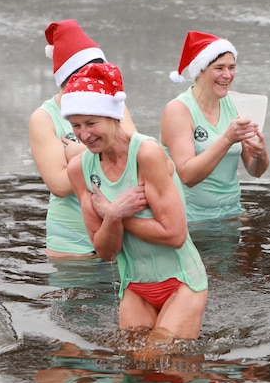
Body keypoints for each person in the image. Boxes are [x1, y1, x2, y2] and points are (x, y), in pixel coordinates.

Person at [63, 62, 209, 343]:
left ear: (114, 118)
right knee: (135, 367)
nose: (83, 134)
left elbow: (175, 234)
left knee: (156, 357)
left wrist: (115, 213)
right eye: (76, 126)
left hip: (182, 281)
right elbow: (105, 250)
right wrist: (114, 215)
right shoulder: (79, 169)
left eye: (92, 123)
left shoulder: (146, 153)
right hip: (135, 287)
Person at [29, 19, 137, 260]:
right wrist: (94, 154)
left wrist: (78, 153)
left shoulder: (112, 103)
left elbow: (133, 155)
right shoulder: (44, 118)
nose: (96, 82)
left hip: (118, 234)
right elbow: (58, 185)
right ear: (69, 77)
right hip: (71, 243)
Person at [160, 30, 269, 223]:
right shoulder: (178, 110)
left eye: (232, 67)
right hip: (190, 221)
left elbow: (256, 171)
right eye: (219, 68)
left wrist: (260, 154)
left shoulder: (235, 103)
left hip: (232, 215)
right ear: (200, 70)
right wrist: (227, 139)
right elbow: (187, 176)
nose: (227, 75)